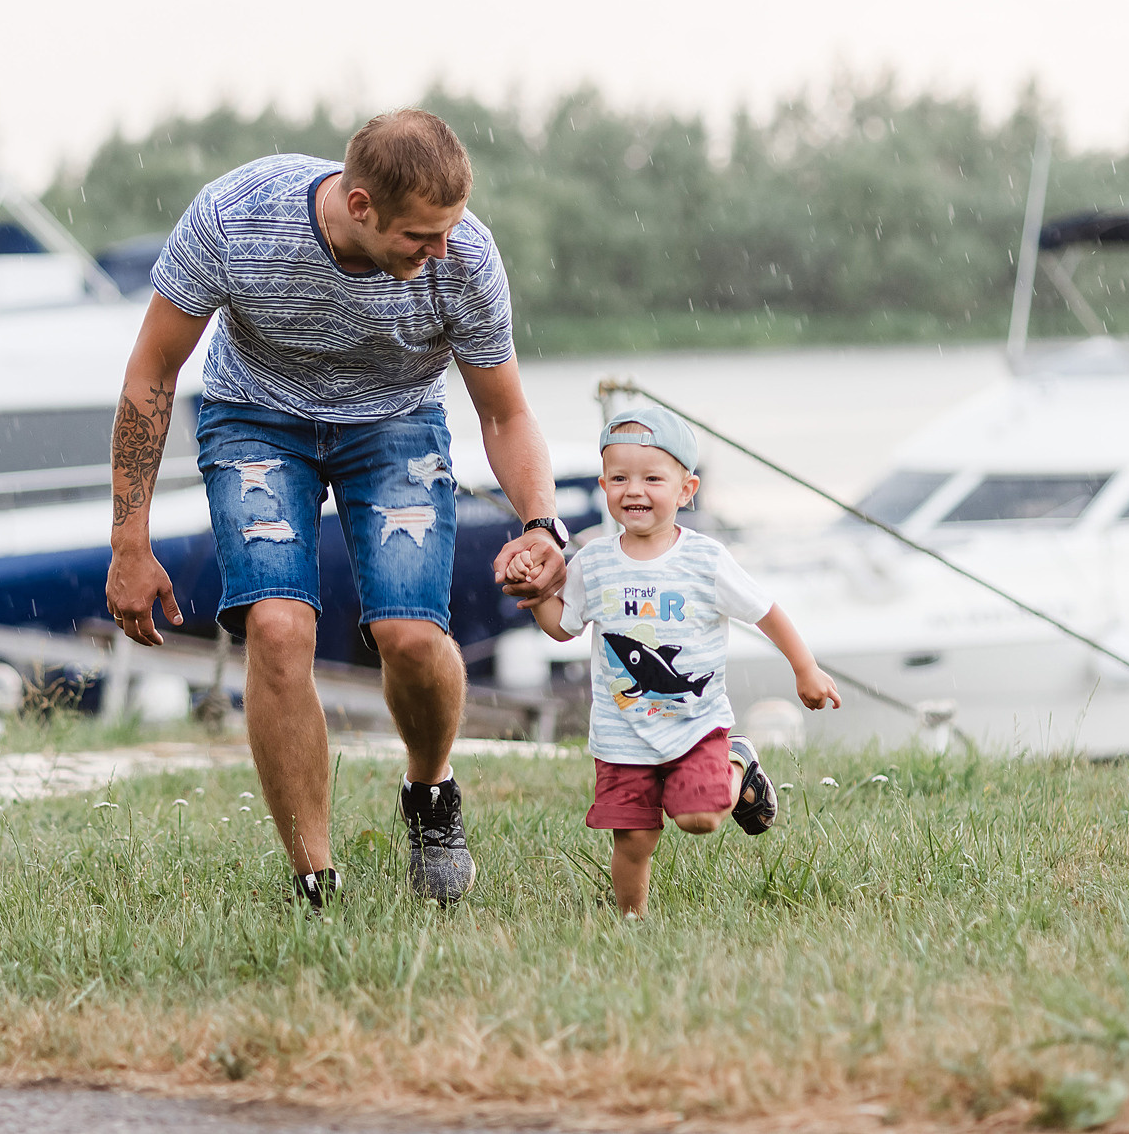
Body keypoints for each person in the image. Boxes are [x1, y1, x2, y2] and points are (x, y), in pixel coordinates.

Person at [105, 110, 569, 909]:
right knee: (280, 628)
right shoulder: (235, 216)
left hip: (395, 421)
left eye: (450, 231)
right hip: (256, 415)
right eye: (421, 237)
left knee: (414, 637)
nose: (441, 254)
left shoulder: (466, 259)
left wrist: (541, 523)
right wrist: (128, 542)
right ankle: (315, 879)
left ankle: (430, 792)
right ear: (360, 206)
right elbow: (152, 370)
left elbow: (503, 413)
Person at [514, 405, 841, 918]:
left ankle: (738, 759)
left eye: (652, 478)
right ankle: (633, 921)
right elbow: (563, 627)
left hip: (696, 724)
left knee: (700, 818)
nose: (634, 490)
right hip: (621, 735)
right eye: (619, 478)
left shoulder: (705, 560)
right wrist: (535, 596)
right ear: (604, 486)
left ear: (686, 490)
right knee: (633, 840)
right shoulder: (593, 561)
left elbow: (765, 612)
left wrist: (806, 668)